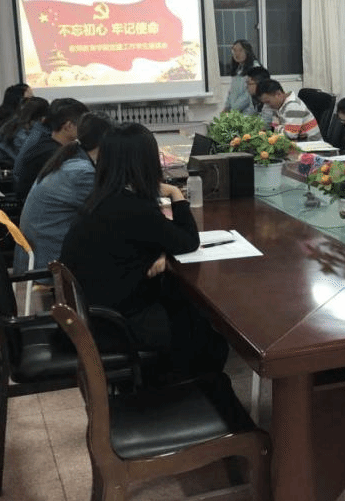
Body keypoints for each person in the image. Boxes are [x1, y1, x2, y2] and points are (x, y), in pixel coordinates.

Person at [60, 123, 228, 377]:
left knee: (184, 305)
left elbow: (145, 240)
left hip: (93, 312)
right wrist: (175, 193)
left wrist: (161, 251)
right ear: (145, 161)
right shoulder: (133, 209)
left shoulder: (102, 199)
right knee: (208, 339)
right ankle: (189, 387)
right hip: (118, 323)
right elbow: (188, 242)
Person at [14, 113, 111, 274]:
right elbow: (110, 210)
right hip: (51, 265)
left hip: (40, 256)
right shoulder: (81, 173)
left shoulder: (70, 161)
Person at [13, 98, 88, 200]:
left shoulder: (45, 142)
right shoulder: (53, 155)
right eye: (83, 124)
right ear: (68, 126)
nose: (86, 128)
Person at [0, 96, 49, 169]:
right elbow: (27, 157)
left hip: (2, 166)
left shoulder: (14, 123)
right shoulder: (21, 132)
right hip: (5, 168)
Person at [255, 79, 321, 141]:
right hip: (298, 141)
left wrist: (278, 128)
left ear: (278, 94)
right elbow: (274, 127)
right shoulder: (278, 105)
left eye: (268, 102)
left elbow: (290, 135)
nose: (267, 105)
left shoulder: (293, 106)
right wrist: (280, 128)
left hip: (311, 143)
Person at [222, 39, 260, 114]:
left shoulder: (255, 68)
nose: (237, 54)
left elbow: (251, 95)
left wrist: (236, 109)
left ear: (247, 51)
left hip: (249, 113)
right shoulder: (238, 68)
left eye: (240, 50)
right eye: (234, 51)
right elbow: (232, 91)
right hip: (236, 112)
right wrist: (226, 107)